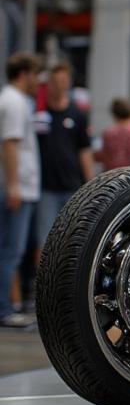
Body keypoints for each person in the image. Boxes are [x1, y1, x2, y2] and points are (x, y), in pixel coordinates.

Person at [0, 52, 41, 328]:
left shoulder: (15, 101)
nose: (37, 81)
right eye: (35, 75)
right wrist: (13, 184)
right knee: (10, 250)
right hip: (17, 189)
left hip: (21, 187)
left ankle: (6, 306)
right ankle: (4, 309)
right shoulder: (13, 102)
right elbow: (9, 144)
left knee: (11, 249)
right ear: (24, 73)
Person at [35, 61, 94, 246]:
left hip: (71, 185)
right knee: (45, 240)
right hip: (46, 187)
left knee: (70, 239)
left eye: (63, 81)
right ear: (49, 84)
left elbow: (84, 150)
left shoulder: (77, 114)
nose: (60, 85)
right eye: (56, 81)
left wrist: (90, 182)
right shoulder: (39, 114)